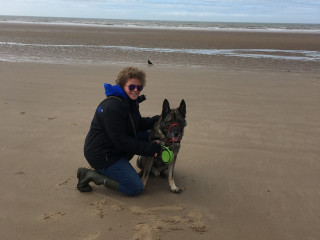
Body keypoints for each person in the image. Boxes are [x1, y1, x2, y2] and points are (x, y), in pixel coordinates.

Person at [77, 66, 162, 196]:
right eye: (131, 87)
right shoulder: (113, 107)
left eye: (139, 88)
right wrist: (151, 149)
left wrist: (157, 120)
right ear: (122, 85)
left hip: (112, 146)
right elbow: (121, 141)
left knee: (149, 136)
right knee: (135, 187)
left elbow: (136, 124)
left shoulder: (129, 102)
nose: (135, 90)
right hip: (102, 154)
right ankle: (91, 175)